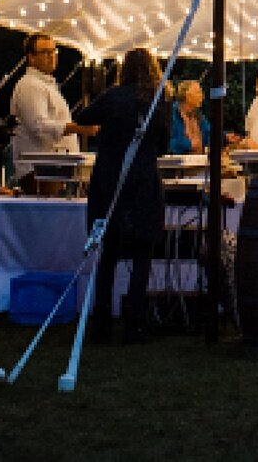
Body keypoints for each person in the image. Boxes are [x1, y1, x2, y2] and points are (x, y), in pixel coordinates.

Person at [72, 48, 167, 343]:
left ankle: (101, 323)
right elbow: (163, 145)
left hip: (110, 182)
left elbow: (82, 116)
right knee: (142, 254)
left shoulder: (113, 96)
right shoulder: (159, 101)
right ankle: (134, 323)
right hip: (142, 182)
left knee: (109, 252)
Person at [10, 33, 92, 178]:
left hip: (54, 169)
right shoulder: (30, 85)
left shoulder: (45, 85)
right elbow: (38, 126)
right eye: (45, 52)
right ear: (31, 57)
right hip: (40, 171)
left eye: (54, 51)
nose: (52, 56)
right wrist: (78, 128)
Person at [167, 79, 212, 157]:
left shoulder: (199, 117)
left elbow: (210, 134)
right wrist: (189, 144)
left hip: (198, 163)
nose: (202, 96)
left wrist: (226, 138)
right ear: (186, 95)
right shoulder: (171, 115)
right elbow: (166, 143)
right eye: (198, 92)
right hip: (175, 165)